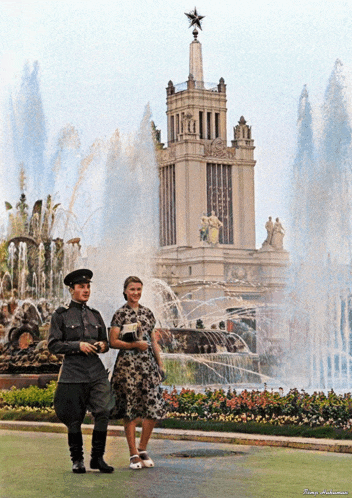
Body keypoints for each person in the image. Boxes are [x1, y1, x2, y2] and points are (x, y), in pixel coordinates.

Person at [48, 269, 115, 474]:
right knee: (74, 417)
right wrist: (78, 346)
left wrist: (103, 347)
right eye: (81, 287)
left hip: (95, 372)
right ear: (71, 290)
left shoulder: (95, 315)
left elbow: (106, 341)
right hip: (73, 372)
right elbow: (53, 345)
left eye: (88, 287)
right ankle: (77, 460)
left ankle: (97, 458)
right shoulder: (60, 315)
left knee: (104, 410)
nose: (86, 290)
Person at [109, 276, 166, 470]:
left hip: (147, 367)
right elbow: (113, 342)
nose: (136, 293)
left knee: (153, 408)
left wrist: (160, 364)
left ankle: (143, 448)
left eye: (139, 289)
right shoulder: (120, 314)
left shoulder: (148, 313)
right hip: (128, 368)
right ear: (125, 291)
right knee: (130, 410)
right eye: (132, 289)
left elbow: (153, 342)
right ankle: (133, 454)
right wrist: (134, 345)